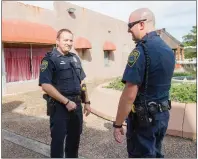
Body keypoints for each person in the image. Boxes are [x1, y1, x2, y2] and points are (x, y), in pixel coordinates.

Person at [113, 8, 175, 158]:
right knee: (156, 152)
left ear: (141, 24)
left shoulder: (141, 51)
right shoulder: (168, 50)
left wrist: (118, 124)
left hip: (144, 120)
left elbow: (129, 95)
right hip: (162, 116)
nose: (128, 31)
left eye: (130, 26)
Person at [39, 28, 91, 158]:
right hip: (59, 107)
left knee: (74, 141)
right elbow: (45, 85)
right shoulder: (50, 59)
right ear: (57, 41)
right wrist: (66, 101)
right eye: (65, 40)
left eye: (71, 40)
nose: (69, 43)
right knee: (58, 141)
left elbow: (82, 83)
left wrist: (87, 102)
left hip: (77, 105)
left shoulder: (75, 58)